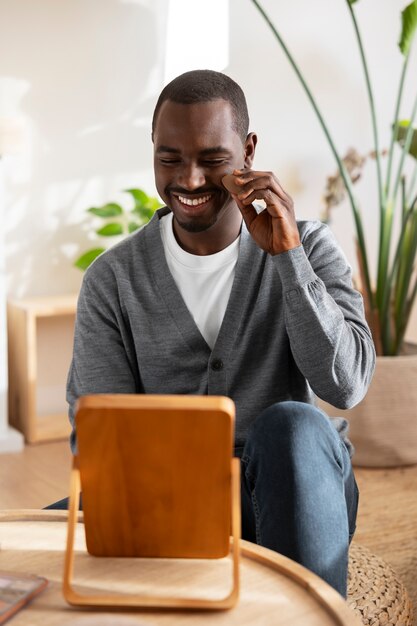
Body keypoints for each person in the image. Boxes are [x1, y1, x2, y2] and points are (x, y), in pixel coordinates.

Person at [51, 69, 376, 598]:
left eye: (212, 160)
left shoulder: (310, 248)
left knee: (292, 426)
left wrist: (288, 259)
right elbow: (99, 441)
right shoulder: (112, 279)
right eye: (170, 159)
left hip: (295, 487)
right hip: (172, 501)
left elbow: (347, 385)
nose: (191, 180)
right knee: (34, 532)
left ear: (248, 151)